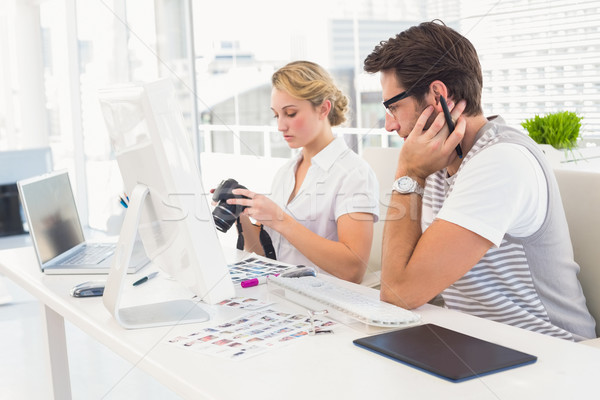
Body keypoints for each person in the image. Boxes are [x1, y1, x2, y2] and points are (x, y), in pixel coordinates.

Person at [363, 20, 595, 341]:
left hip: (549, 353)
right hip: (478, 344)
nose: (390, 125)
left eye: (394, 107)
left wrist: (408, 174)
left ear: (437, 95)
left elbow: (399, 292)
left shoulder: (501, 160)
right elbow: (405, 278)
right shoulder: (439, 160)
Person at [227, 60, 379, 283]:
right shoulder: (285, 173)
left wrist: (279, 219)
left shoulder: (353, 174)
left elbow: (352, 270)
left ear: (324, 109)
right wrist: (240, 214)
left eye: (290, 113)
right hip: (282, 295)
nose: (280, 126)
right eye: (276, 115)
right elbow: (266, 258)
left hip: (326, 302)